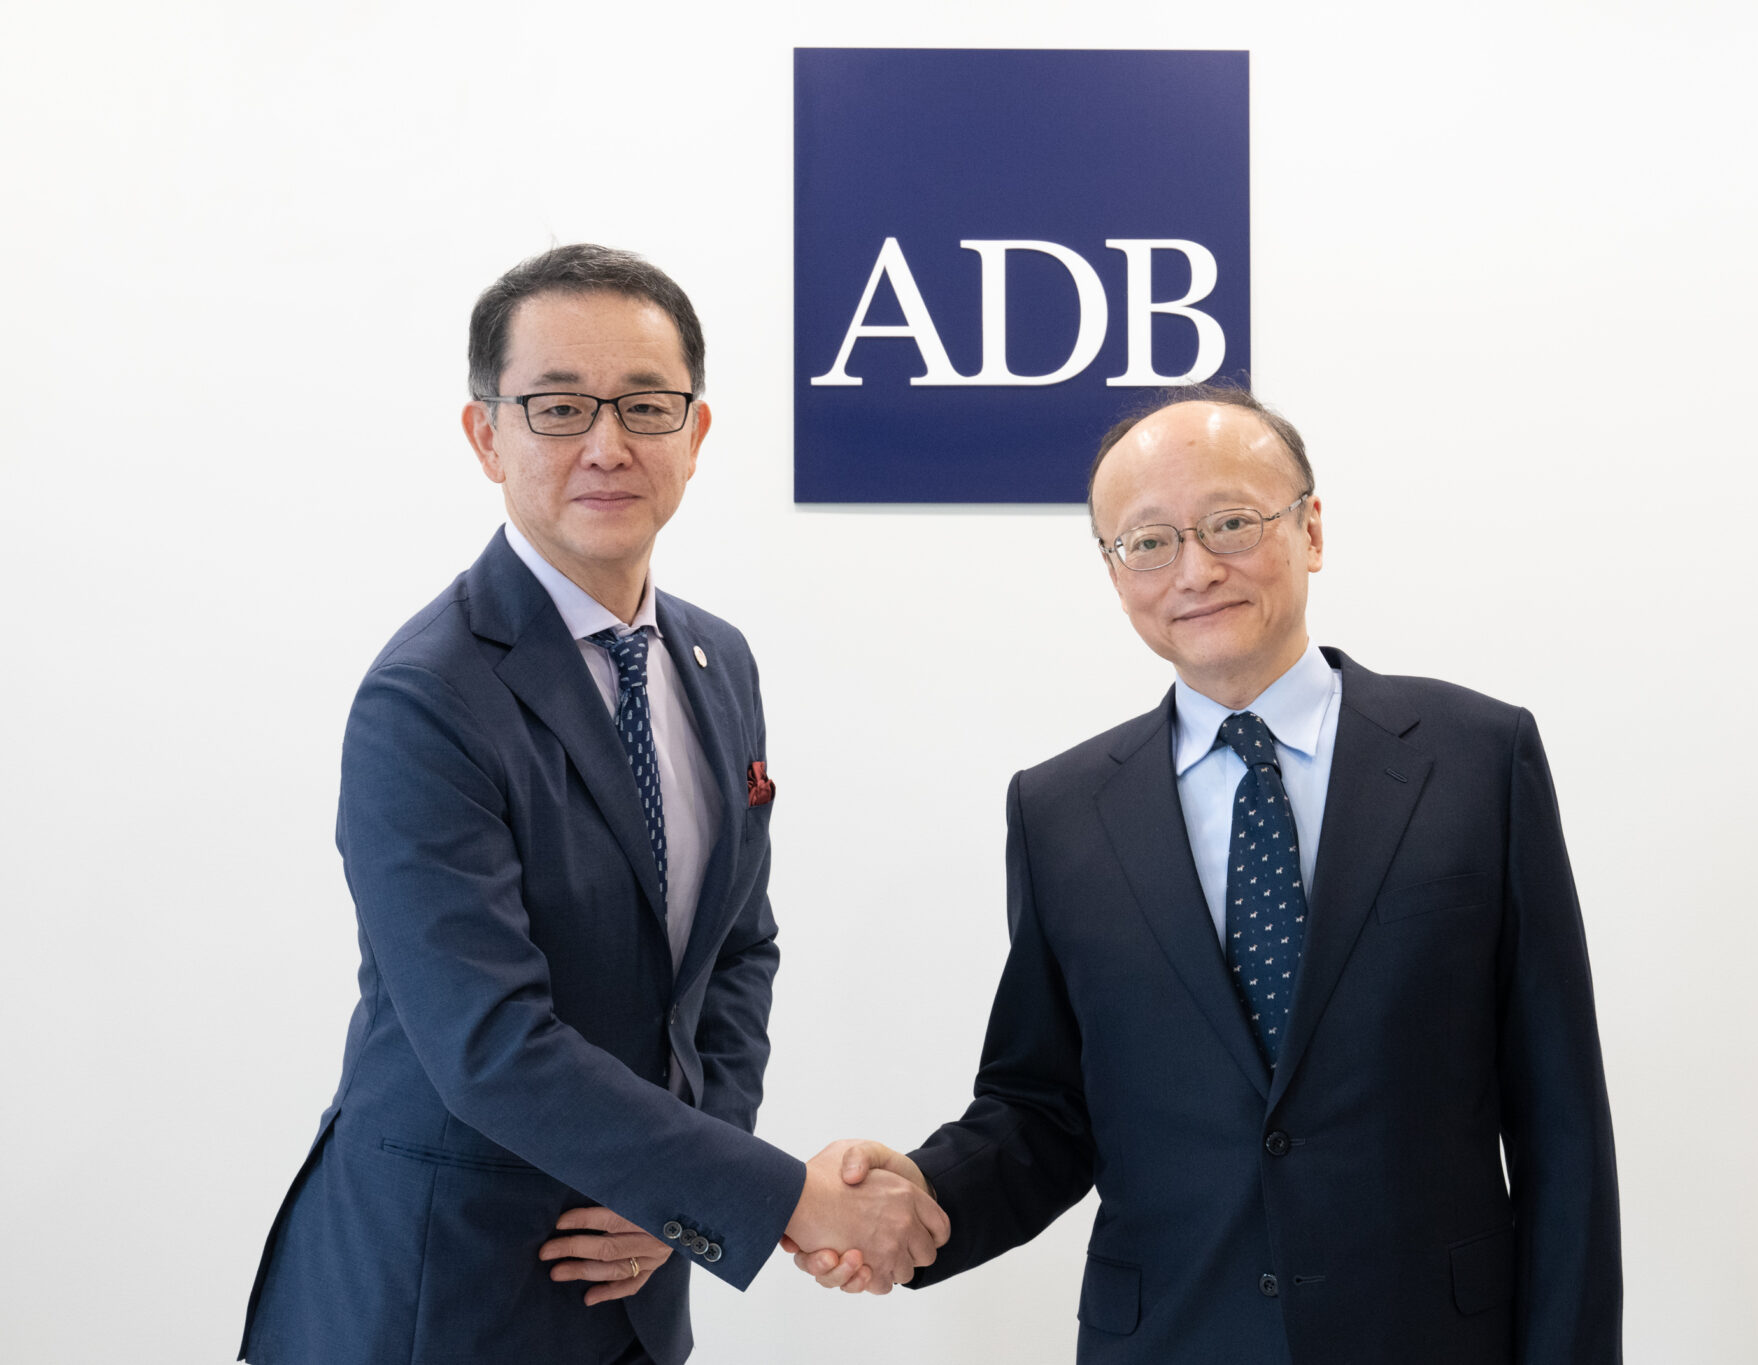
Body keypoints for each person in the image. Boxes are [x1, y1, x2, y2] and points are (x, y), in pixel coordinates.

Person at [791, 387, 1622, 1363]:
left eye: (1231, 523)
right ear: (1114, 573)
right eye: (1147, 542)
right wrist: (923, 1196)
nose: (1194, 570)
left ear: (1311, 529)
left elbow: (1561, 1125)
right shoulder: (1060, 812)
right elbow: (1045, 1110)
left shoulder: (1476, 758)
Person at [240, 244, 946, 1365]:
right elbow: (489, 1043)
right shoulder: (424, 697)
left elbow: (736, 951)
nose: (608, 445)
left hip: (634, 1287)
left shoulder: (718, 660)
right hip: (440, 1294)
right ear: (487, 436)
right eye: (559, 407)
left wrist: (683, 1192)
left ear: (695, 434)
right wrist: (780, 1198)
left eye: (646, 406)